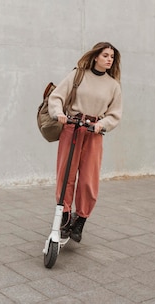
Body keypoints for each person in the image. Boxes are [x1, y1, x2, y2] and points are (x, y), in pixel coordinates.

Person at [48, 42, 122, 242]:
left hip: (94, 133)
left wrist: (103, 124)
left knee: (89, 179)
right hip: (72, 128)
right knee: (66, 175)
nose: (109, 59)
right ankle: (64, 217)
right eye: (105, 55)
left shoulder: (113, 85)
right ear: (96, 56)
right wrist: (59, 113)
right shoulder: (78, 75)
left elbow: (114, 114)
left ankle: (80, 219)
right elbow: (56, 98)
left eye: (112, 57)